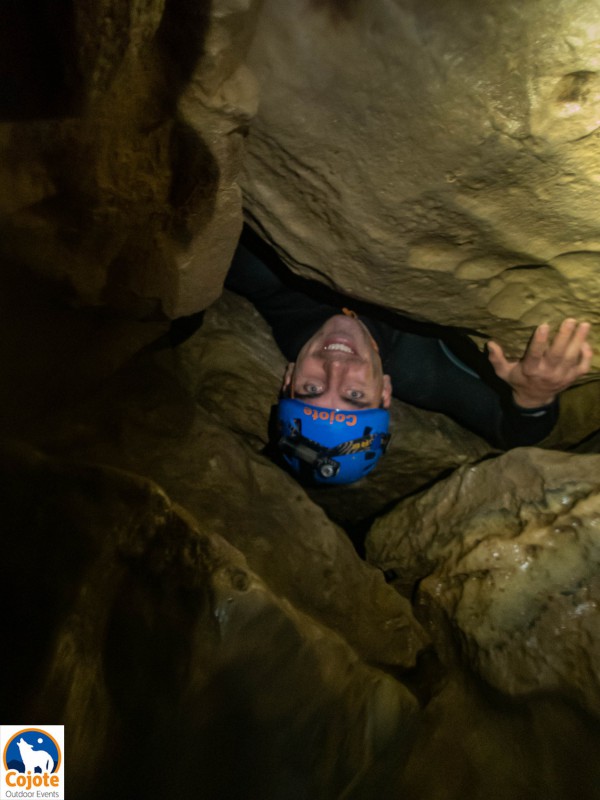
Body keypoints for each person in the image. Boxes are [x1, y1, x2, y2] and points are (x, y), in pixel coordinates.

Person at [225, 230, 593, 485]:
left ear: (288, 377)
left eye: (310, 387)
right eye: (354, 395)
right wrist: (536, 395)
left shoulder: (259, 276)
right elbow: (513, 433)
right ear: (385, 393)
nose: (335, 368)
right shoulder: (423, 373)